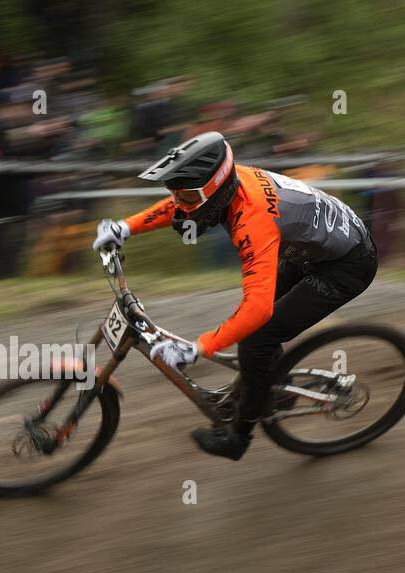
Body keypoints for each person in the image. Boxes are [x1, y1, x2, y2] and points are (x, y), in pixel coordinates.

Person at [91, 131, 376, 461]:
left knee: (256, 336)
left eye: (185, 197)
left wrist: (199, 347)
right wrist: (125, 227)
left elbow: (257, 309)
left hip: (346, 265)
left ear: (212, 191)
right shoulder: (225, 186)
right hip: (312, 247)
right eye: (176, 194)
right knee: (258, 333)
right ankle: (271, 386)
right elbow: (179, 205)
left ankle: (238, 435)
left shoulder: (253, 221)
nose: (178, 202)